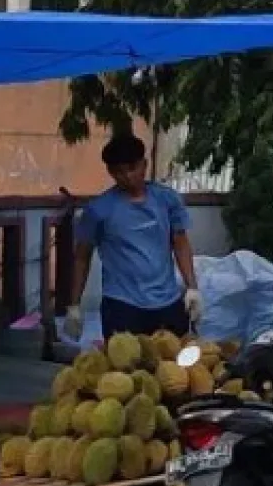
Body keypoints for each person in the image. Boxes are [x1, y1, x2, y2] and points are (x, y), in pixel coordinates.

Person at [64, 133, 203, 340]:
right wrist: (74, 305)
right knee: (125, 369)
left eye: (132, 168)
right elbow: (82, 257)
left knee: (175, 367)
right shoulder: (98, 210)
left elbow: (180, 243)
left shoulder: (167, 200)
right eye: (119, 172)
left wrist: (192, 288)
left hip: (167, 302)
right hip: (122, 305)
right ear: (110, 172)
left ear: (144, 165)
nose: (127, 177)